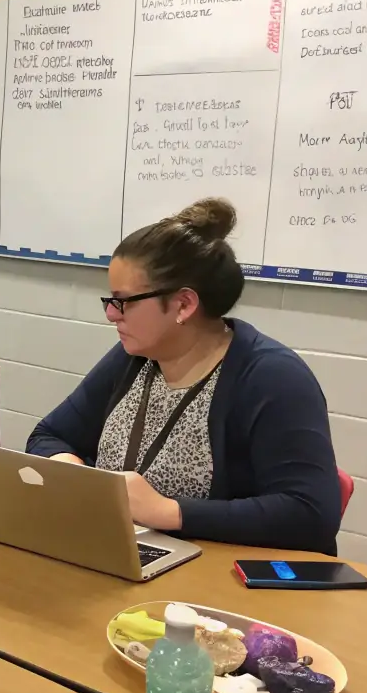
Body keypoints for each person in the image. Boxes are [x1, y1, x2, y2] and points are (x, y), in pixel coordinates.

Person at [27, 198, 341, 555]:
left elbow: (311, 514)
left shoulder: (272, 377)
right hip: (127, 557)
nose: (112, 315)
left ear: (183, 305)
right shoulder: (136, 357)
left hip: (217, 583)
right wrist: (67, 468)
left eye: (123, 301)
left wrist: (170, 512)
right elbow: (49, 435)